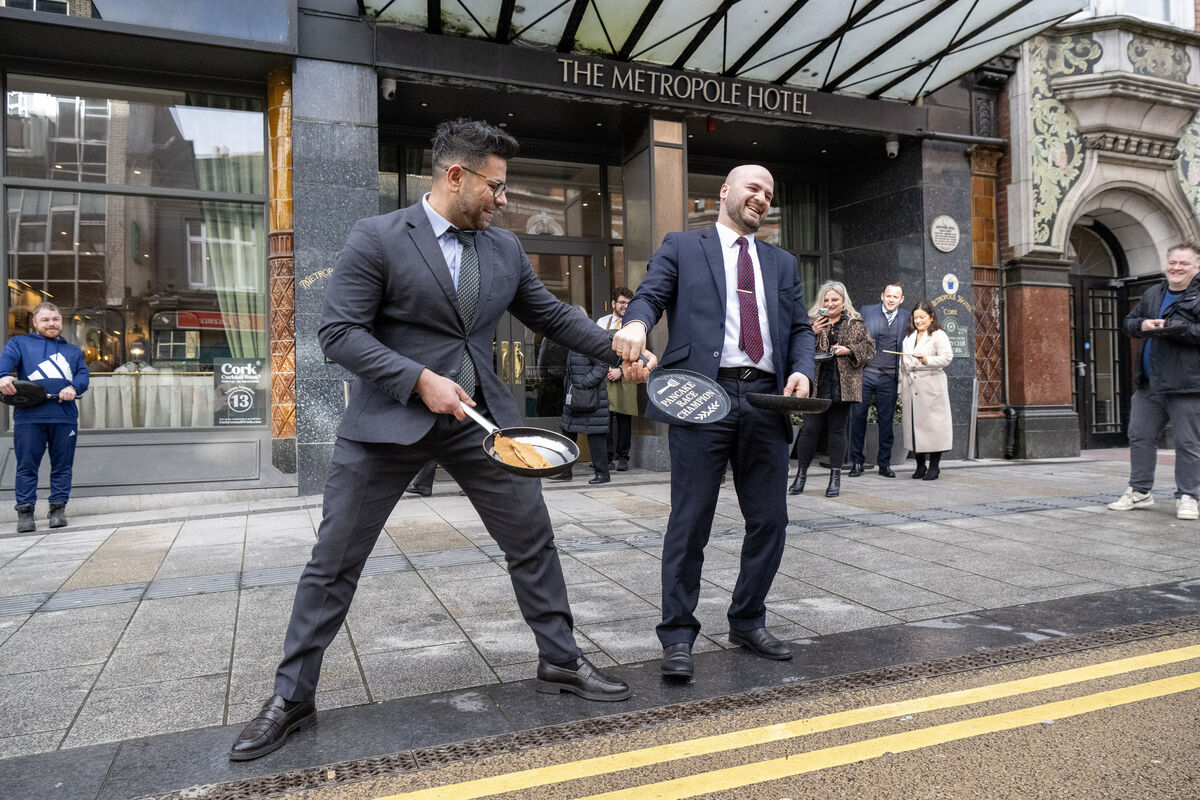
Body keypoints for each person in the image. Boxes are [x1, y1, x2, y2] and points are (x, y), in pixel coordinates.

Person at [230, 118, 655, 762]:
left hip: (479, 422)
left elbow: (552, 316)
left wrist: (619, 348)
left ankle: (561, 661)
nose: (503, 199)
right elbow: (339, 334)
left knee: (531, 538)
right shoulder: (377, 236)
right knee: (334, 560)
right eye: (497, 186)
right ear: (455, 176)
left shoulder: (505, 250)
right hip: (385, 424)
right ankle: (292, 697)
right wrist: (417, 379)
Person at [613, 164, 814, 680]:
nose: (762, 198)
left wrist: (801, 371)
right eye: (753, 188)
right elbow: (650, 296)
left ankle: (748, 619)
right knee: (691, 520)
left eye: (770, 193)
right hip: (703, 394)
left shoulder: (782, 262)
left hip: (768, 400)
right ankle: (678, 634)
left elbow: (799, 329)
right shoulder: (683, 245)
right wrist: (635, 323)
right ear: (725, 191)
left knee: (770, 519)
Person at [1107, 242, 1200, 521]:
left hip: (1186, 384)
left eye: (1184, 263)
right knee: (1140, 437)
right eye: (1173, 262)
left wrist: (1172, 329)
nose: (1176, 268)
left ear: (1197, 267)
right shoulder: (1154, 293)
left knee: (1188, 443)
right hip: (1149, 384)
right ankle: (1140, 491)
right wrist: (1142, 325)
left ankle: (1189, 496)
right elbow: (1129, 322)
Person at [0, 302, 89, 533]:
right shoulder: (19, 343)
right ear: (35, 323)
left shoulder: (73, 351)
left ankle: (58, 510)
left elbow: (83, 376)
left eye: (55, 319)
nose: (51, 323)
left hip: (64, 417)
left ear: (61, 322)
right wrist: (3, 377)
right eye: (46, 320)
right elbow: (5, 364)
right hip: (29, 418)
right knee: (27, 466)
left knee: (62, 466)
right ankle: (25, 512)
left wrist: (74, 387)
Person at [789, 282, 875, 498]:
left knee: (837, 430)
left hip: (842, 383)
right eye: (826, 300)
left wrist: (849, 349)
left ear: (843, 300)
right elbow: (796, 345)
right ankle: (801, 476)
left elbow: (869, 349)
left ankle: (835, 478)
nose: (830, 304)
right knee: (809, 430)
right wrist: (812, 331)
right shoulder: (811, 321)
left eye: (834, 300)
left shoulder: (855, 322)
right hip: (816, 381)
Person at [847, 284, 905, 478]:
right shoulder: (867, 311)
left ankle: (884, 464)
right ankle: (857, 463)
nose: (891, 299)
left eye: (895, 297)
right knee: (858, 419)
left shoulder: (906, 317)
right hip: (866, 373)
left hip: (889, 376)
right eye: (888, 296)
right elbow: (856, 337)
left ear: (901, 299)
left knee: (886, 422)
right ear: (882, 296)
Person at [556, 306, 611, 485]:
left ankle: (602, 473)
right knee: (567, 431)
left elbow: (602, 365)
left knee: (595, 435)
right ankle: (564, 471)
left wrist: (583, 384)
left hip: (591, 397)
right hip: (575, 396)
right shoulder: (573, 339)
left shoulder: (590, 339)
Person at [900, 300, 953, 481]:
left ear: (931, 317)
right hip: (911, 386)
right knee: (915, 428)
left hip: (931, 385)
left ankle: (934, 466)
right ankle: (920, 465)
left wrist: (926, 360)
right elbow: (902, 366)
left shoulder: (938, 335)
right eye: (916, 318)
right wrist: (901, 388)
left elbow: (946, 358)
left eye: (922, 317)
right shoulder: (908, 338)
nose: (919, 321)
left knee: (934, 428)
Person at [596, 287, 637, 471]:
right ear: (613, 303)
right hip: (605, 374)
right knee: (605, 417)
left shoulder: (635, 324)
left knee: (624, 417)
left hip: (626, 375)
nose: (625, 307)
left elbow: (638, 352)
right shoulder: (602, 322)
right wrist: (606, 369)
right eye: (622, 303)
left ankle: (623, 458)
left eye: (628, 303)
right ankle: (607, 457)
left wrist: (620, 370)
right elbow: (595, 348)